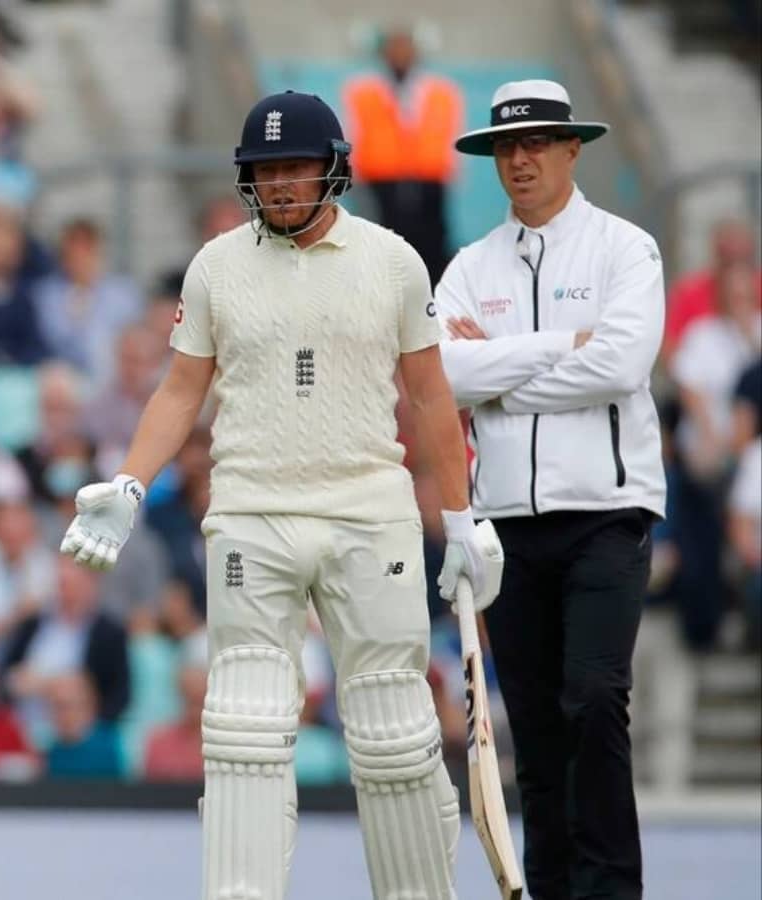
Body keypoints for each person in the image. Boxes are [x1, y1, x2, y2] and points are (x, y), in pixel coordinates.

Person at [59, 90, 500, 900]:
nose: (281, 185)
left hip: (370, 513)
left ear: (333, 168)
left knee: (395, 731)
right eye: (265, 172)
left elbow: (433, 397)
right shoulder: (217, 265)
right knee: (243, 729)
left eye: (296, 167)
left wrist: (461, 516)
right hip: (251, 513)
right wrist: (131, 479)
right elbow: (179, 390)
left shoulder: (393, 260)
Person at [434, 79, 666, 900]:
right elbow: (441, 375)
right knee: (532, 726)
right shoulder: (470, 265)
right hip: (506, 525)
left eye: (536, 142)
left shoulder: (625, 248)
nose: (520, 158)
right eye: (506, 146)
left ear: (573, 148)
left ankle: (610, 891)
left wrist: (499, 370)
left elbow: (623, 365)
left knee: (594, 698)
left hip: (607, 512)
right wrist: (562, 345)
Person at [341, 24, 464, 286]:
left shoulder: (441, 90)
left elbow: (451, 131)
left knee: (432, 244)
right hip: (381, 180)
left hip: (430, 180)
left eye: (405, 47)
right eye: (394, 47)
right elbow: (354, 131)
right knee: (385, 243)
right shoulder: (363, 91)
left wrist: (451, 171)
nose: (400, 54)